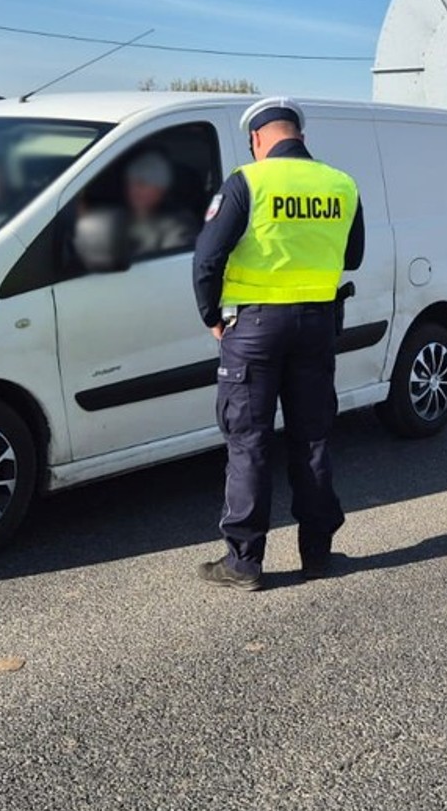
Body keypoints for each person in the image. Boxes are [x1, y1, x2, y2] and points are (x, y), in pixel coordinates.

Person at [191, 97, 364, 590]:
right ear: (301, 138)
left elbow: (207, 258)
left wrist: (211, 318)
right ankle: (317, 553)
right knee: (311, 440)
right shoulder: (341, 184)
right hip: (317, 326)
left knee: (249, 442)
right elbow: (352, 255)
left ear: (257, 140)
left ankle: (244, 562)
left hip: (255, 330)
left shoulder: (249, 181)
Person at [123, 149, 199, 257]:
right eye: (131, 183)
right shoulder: (123, 217)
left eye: (143, 183)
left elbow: (169, 267)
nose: (135, 190)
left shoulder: (179, 225)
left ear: (160, 189)